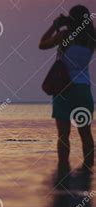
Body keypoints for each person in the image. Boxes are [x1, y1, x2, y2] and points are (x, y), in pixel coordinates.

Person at [39, 5, 95, 170]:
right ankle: (88, 169)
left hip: (63, 90)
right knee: (86, 134)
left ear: (70, 19)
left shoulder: (65, 35)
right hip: (83, 90)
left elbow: (42, 44)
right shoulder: (91, 39)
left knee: (63, 136)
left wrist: (55, 26)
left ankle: (63, 171)